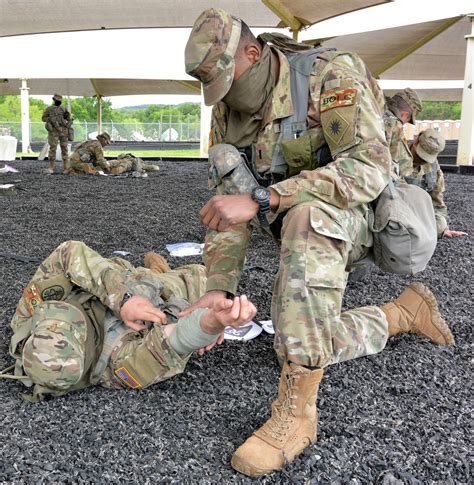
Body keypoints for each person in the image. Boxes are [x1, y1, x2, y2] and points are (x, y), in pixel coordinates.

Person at [184, 9, 455, 476]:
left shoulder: (331, 75)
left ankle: (297, 417)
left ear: (254, 53)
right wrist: (218, 287)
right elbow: (229, 205)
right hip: (294, 223)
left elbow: (368, 170)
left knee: (307, 219)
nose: (224, 96)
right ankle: (402, 314)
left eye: (229, 79)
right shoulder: (227, 113)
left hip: (359, 217)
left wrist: (267, 196)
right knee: (294, 338)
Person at [5, 241, 256, 402]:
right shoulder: (109, 367)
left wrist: (122, 298)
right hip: (157, 299)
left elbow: (69, 253)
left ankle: (151, 271)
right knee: (202, 278)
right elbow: (166, 345)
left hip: (117, 279)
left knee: (134, 276)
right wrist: (209, 324)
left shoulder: (29, 313)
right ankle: (159, 271)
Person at [406, 129, 467, 238]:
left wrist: (443, 228)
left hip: (419, 214)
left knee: (440, 223)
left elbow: (437, 201)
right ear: (415, 142)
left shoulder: (433, 168)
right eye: (420, 155)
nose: (422, 160)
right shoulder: (395, 157)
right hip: (396, 212)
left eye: (426, 158)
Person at [384, 88, 422, 177]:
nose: (404, 124)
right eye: (407, 120)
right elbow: (404, 168)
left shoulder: (373, 111)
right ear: (404, 115)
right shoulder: (394, 124)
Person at [41, 94, 72, 174]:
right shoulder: (49, 109)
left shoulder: (63, 109)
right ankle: (51, 167)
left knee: (64, 148)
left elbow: (69, 119)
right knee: (53, 149)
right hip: (53, 131)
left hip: (63, 131)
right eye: (57, 100)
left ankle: (66, 168)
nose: (58, 102)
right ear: (54, 100)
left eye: (59, 100)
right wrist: (50, 119)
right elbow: (43, 118)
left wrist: (67, 118)